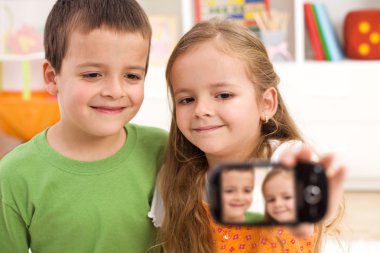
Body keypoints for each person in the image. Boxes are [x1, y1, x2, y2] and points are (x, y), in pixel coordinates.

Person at [151, 18, 346, 253]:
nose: (201, 110)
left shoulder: (284, 158)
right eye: (187, 99)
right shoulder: (176, 180)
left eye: (223, 95)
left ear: (266, 103)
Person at [0, 0, 167, 252]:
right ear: (51, 77)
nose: (114, 91)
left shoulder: (163, 150)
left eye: (132, 76)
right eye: (92, 74)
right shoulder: (13, 176)